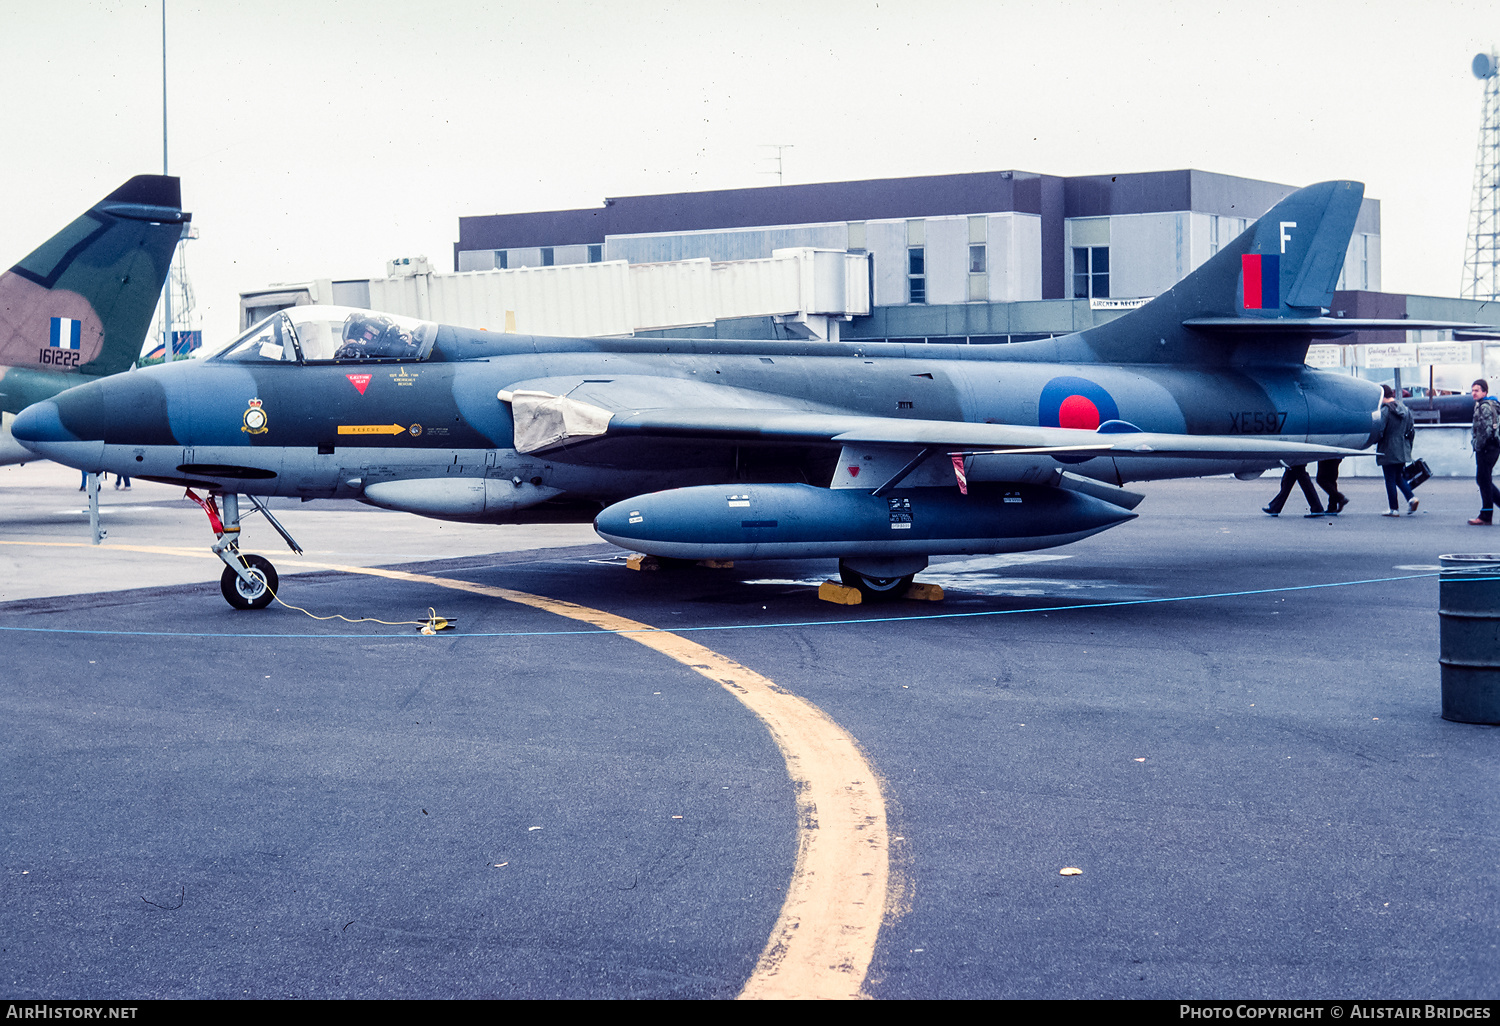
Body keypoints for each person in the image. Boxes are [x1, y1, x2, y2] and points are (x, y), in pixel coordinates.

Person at [1377, 384, 1417, 517]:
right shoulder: (1405, 409)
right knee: (1399, 477)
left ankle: (1394, 509)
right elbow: (1411, 431)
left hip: (1388, 449)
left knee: (1389, 479)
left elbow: (1380, 431)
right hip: (1402, 448)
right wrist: (1408, 447)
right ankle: (1411, 498)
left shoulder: (1385, 411)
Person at [1469, 379, 1500, 525]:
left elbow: (1485, 430)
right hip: (1492, 447)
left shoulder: (1484, 407)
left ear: (1484, 392)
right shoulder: (1489, 404)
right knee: (1483, 479)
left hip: (1487, 448)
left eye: (1477, 390)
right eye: (1472, 390)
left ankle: (1485, 516)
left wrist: (1477, 445)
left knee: (1483, 480)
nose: (1473, 393)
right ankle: (1486, 514)